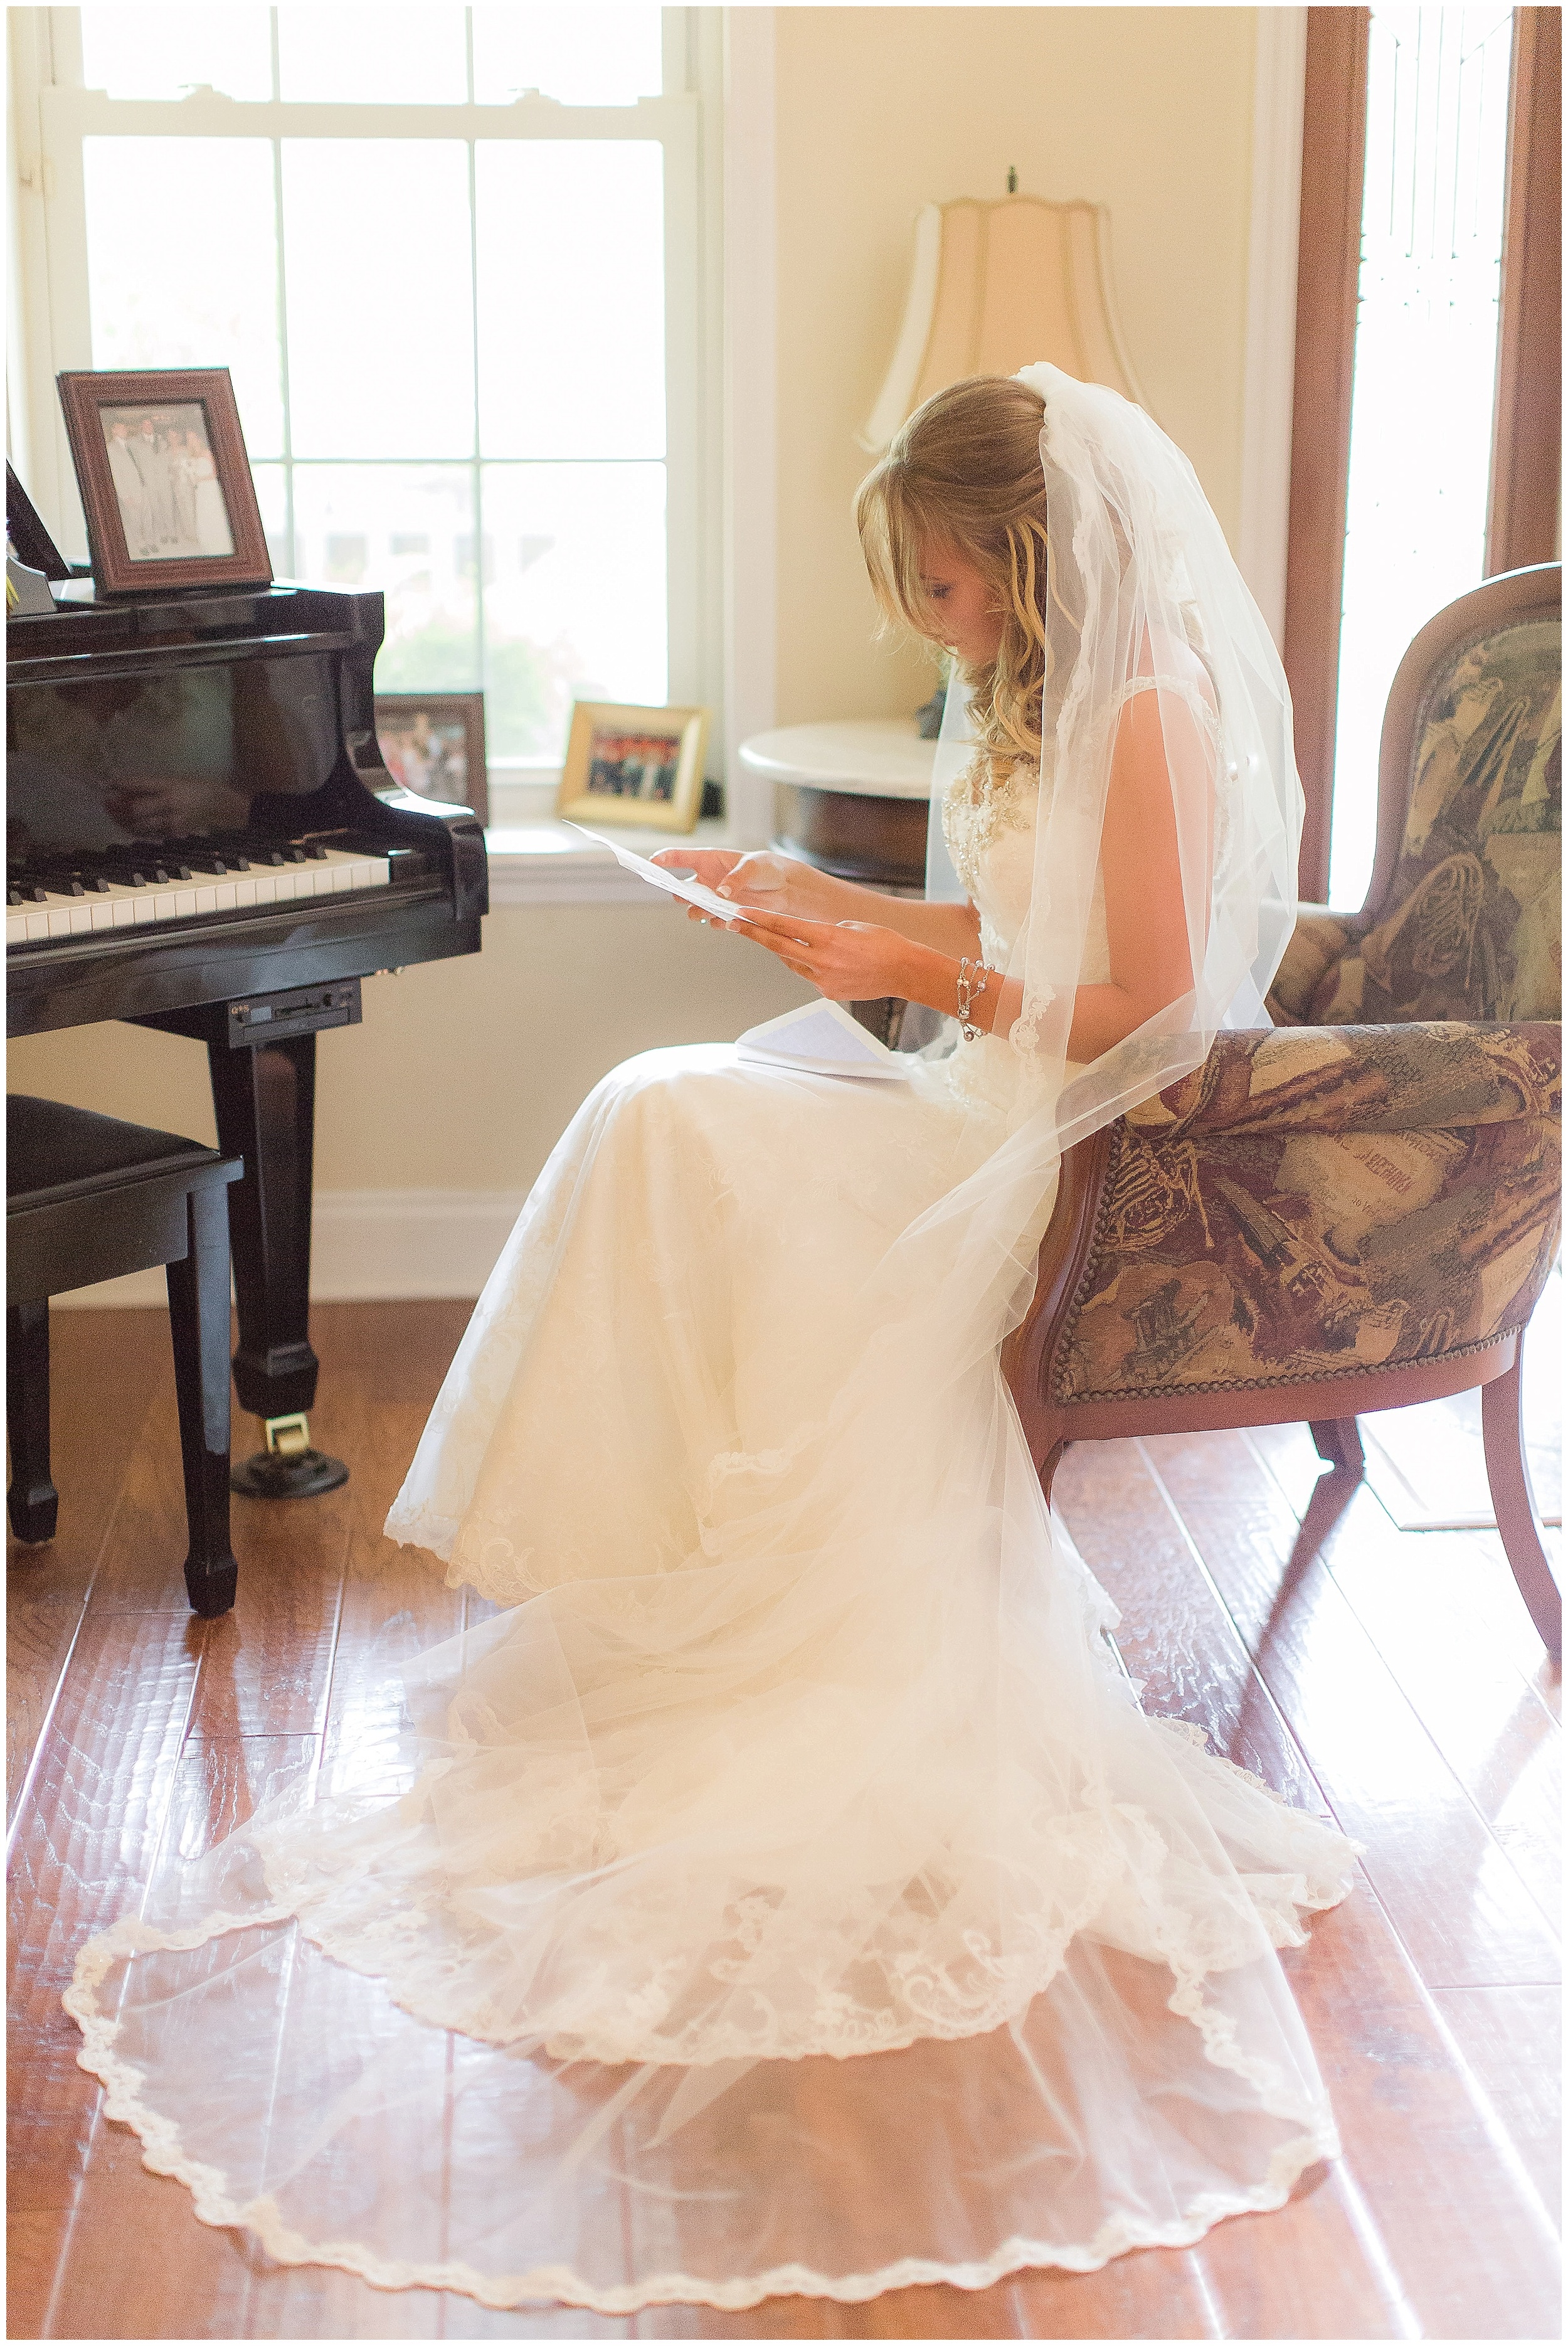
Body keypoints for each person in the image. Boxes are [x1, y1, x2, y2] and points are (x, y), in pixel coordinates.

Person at [66, 367, 1357, 2317]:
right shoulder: (1029, 697)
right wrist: (827, 907)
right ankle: (655, 1559)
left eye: (934, 580)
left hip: (1043, 1164)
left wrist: (909, 959)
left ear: (1017, 557)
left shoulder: (1156, 707)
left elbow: (1153, 1016)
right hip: (965, 1101)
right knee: (664, 1101)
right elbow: (999, 938)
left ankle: (698, 1576)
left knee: (679, 1116)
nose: (920, 613)